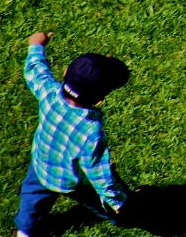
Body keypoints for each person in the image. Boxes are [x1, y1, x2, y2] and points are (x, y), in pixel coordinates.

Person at [13, 32, 131, 237]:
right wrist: (117, 201)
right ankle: (122, 215)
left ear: (66, 71)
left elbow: (35, 70)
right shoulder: (90, 133)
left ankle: (25, 231)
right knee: (102, 202)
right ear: (99, 100)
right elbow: (100, 175)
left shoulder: (48, 93)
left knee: (31, 201)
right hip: (75, 181)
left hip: (41, 168)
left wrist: (36, 46)